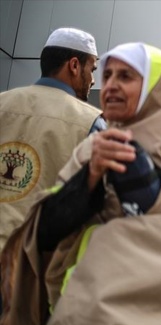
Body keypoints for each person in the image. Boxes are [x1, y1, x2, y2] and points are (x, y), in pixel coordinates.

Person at [0, 42, 161, 325]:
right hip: (82, 309)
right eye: (107, 76)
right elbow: (45, 233)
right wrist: (90, 176)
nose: (111, 86)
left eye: (126, 77)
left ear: (157, 88)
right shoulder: (92, 146)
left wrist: (112, 243)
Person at [0, 27, 105, 252]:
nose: (94, 80)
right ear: (75, 65)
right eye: (92, 68)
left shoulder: (1, 103)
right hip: (28, 271)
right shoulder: (91, 123)